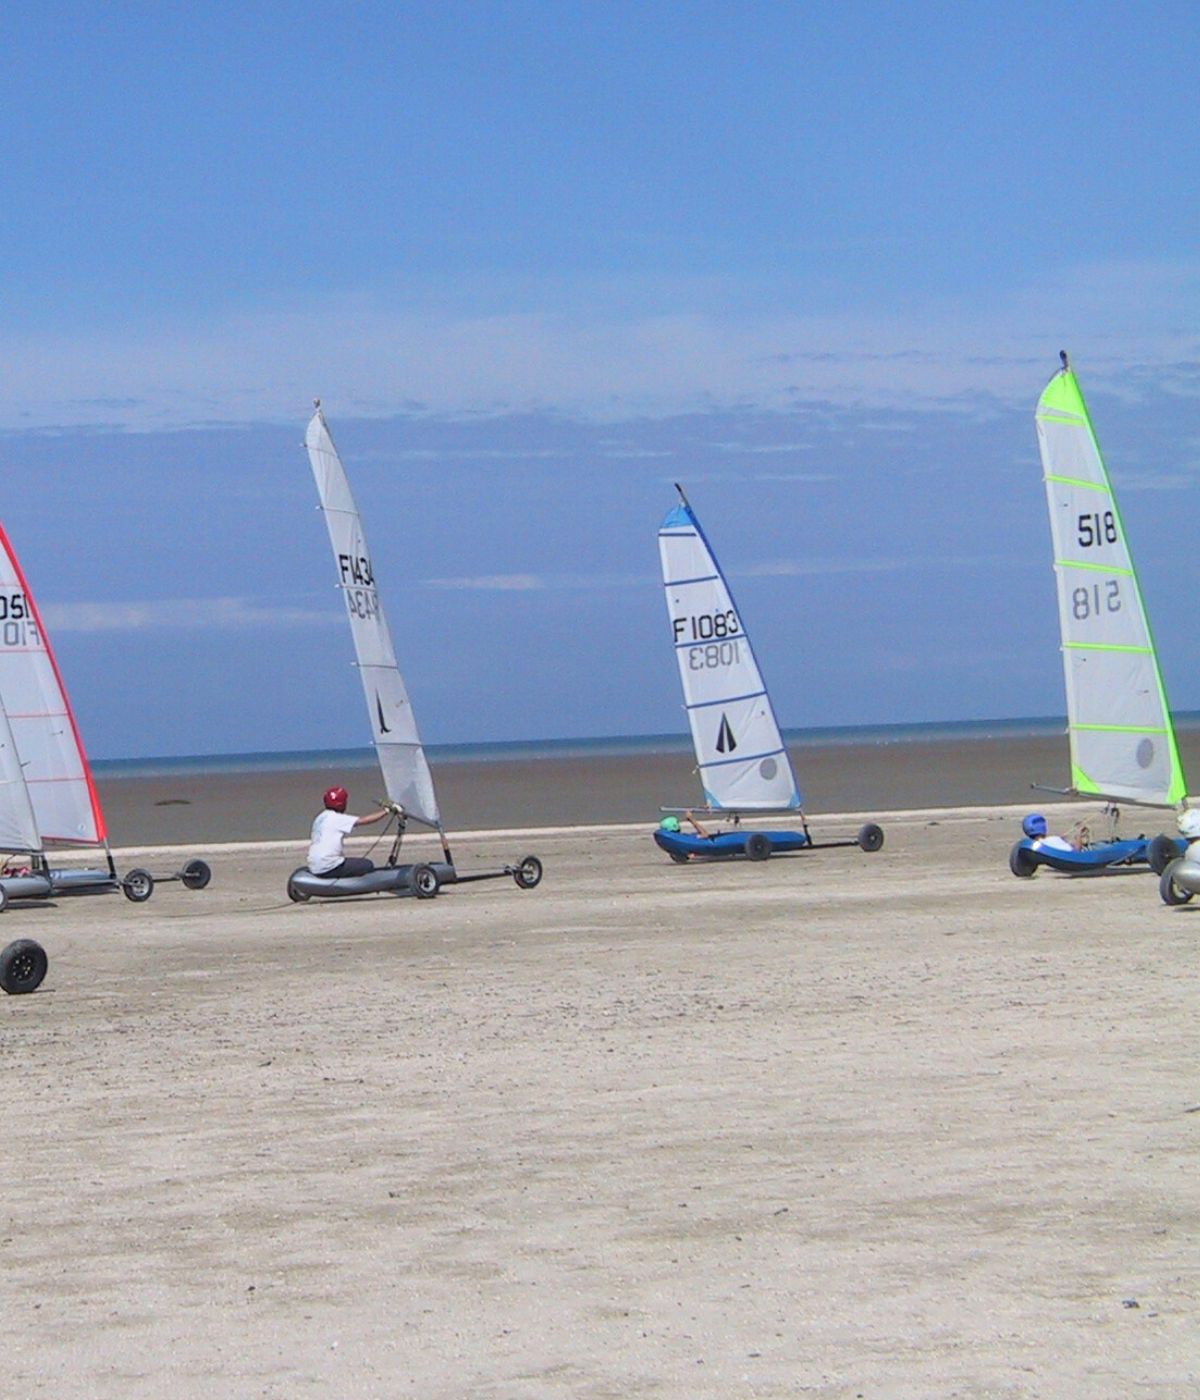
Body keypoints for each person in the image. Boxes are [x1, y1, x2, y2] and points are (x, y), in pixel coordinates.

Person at [307, 787, 400, 879]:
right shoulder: (336, 818)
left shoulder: (320, 817)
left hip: (314, 865)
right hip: (329, 866)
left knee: (353, 863)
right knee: (367, 864)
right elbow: (364, 820)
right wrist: (387, 811)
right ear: (341, 804)